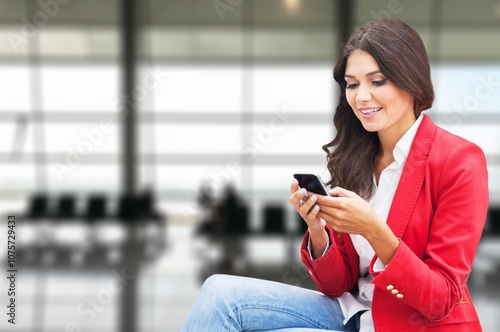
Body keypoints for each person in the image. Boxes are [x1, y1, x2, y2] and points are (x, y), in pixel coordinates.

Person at [181, 18, 488, 332]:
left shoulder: (459, 161)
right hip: (349, 314)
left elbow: (441, 298)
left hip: (409, 325)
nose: (361, 97)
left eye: (377, 81)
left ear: (411, 80)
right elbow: (336, 284)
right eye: (352, 84)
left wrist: (373, 231)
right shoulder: (356, 159)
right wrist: (319, 232)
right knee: (219, 292)